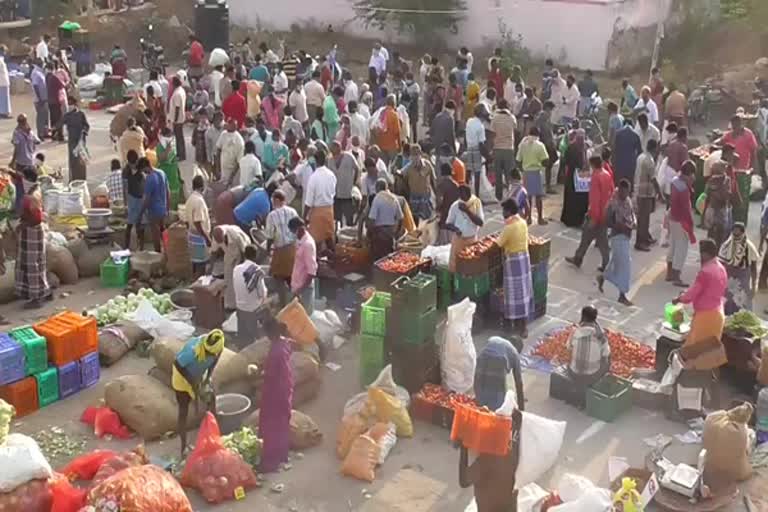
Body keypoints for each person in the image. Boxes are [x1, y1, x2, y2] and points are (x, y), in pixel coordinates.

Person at [671, 239, 728, 371]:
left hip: (706, 316)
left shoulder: (706, 271)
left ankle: (689, 383)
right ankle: (708, 382)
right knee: (711, 352)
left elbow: (692, 294)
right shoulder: (721, 268)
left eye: (701, 253)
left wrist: (679, 298)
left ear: (705, 254)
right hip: (719, 314)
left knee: (692, 353)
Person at [458, 407, 522, 512]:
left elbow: (464, 481)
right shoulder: (513, 448)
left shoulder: (486, 460)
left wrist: (463, 447)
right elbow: (517, 427)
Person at [172, 329, 225, 456]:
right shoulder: (192, 351)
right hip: (182, 380)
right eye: (207, 353)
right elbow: (178, 365)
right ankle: (183, 446)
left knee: (211, 399)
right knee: (183, 411)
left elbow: (215, 360)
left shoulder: (218, 346)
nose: (210, 355)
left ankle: (213, 434)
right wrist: (192, 382)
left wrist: (207, 378)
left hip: (198, 376)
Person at [258, 316, 294, 473]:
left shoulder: (276, 352)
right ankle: (282, 455)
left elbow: (271, 374)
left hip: (275, 392)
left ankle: (270, 462)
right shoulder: (284, 344)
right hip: (284, 389)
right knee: (282, 424)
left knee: (271, 426)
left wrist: (259, 373)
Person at [566, 156, 612, 271]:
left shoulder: (596, 177)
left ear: (592, 165)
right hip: (604, 213)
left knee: (599, 241)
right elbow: (611, 192)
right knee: (589, 238)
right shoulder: (606, 174)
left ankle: (606, 263)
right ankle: (578, 258)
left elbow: (595, 199)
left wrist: (593, 217)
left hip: (596, 215)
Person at [497, 197, 532, 338]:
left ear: (509, 211)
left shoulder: (509, 227)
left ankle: (510, 325)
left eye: (504, 210)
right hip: (524, 259)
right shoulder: (522, 222)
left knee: (512, 294)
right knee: (523, 292)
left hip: (513, 262)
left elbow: (498, 244)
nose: (502, 213)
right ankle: (523, 326)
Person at [598, 179, 636, 306]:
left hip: (627, 236)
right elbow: (607, 221)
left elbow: (632, 214)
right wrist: (618, 226)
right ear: (619, 190)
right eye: (623, 192)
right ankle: (622, 294)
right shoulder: (612, 204)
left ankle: (603, 277)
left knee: (615, 262)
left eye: (627, 192)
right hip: (617, 237)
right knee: (625, 266)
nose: (625, 194)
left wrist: (633, 223)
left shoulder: (628, 200)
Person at [15, 184, 50, 308]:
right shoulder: (35, 189)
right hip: (33, 231)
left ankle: (36, 297)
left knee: (32, 265)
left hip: (32, 231)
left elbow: (37, 219)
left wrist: (23, 225)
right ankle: (44, 291)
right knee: (39, 263)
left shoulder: (32, 196)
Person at [265, 190, 299, 305]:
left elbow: (269, 236)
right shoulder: (293, 211)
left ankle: (283, 304)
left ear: (277, 200)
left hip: (280, 251)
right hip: (293, 249)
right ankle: (296, 302)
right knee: (291, 278)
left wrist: (267, 250)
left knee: (279, 278)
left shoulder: (272, 215)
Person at [474, 336, 525, 412]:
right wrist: (521, 409)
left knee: (480, 389)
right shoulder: (515, 352)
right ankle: (492, 417)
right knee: (498, 398)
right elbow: (519, 383)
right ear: (518, 348)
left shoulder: (494, 338)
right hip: (498, 363)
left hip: (481, 359)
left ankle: (479, 412)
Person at [667, 161, 697, 286]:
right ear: (689, 174)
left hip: (672, 218)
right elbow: (686, 209)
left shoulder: (675, 181)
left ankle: (669, 272)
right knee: (681, 248)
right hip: (681, 220)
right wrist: (690, 224)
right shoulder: (684, 189)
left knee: (673, 245)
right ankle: (676, 275)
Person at [719, 222, 759, 314]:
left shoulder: (749, 247)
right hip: (729, 275)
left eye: (738, 231)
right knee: (727, 298)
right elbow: (721, 263)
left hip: (743, 275)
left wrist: (754, 285)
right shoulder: (726, 245)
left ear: (743, 232)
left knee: (743, 299)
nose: (736, 233)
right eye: (734, 231)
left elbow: (753, 266)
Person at [566, 305, 610, 387]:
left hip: (574, 374)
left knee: (571, 348)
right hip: (592, 376)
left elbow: (568, 347)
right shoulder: (600, 336)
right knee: (607, 354)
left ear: (582, 317)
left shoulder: (575, 332)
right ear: (595, 319)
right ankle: (597, 383)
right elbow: (605, 356)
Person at [232, 244, 268, 341]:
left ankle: (243, 342)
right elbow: (262, 293)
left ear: (245, 255)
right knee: (268, 303)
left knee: (243, 337)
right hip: (252, 309)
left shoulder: (236, 269)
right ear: (255, 256)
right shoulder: (257, 270)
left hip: (239, 307)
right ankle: (261, 336)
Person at [303, 150, 336, 253]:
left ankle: (315, 264)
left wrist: (304, 216)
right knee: (329, 237)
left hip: (317, 212)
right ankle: (334, 258)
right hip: (329, 210)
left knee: (315, 242)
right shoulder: (331, 175)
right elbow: (333, 192)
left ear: (315, 161)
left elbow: (309, 202)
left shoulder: (313, 177)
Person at [446, 185, 485, 272]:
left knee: (471, 266)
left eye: (462, 194)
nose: (460, 197)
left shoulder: (476, 203)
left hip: (472, 240)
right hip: (458, 240)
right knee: (455, 265)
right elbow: (448, 224)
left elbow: (480, 223)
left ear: (468, 194)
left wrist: (467, 211)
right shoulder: (455, 206)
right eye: (459, 194)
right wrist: (456, 229)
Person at [516, 126, 550, 225]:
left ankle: (529, 218)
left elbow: (518, 160)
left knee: (528, 197)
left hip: (526, 172)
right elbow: (546, 161)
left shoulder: (522, 145)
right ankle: (540, 218)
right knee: (538, 197)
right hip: (536, 172)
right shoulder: (540, 145)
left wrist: (523, 169)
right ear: (538, 135)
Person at [635, 139, 661, 251]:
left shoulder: (641, 156)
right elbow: (654, 179)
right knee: (643, 218)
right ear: (654, 148)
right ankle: (640, 242)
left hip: (639, 189)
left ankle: (645, 237)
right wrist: (660, 193)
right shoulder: (649, 160)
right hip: (645, 192)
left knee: (644, 217)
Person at [560, 127, 589, 228]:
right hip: (574, 175)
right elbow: (566, 162)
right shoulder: (573, 147)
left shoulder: (582, 147)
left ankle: (578, 220)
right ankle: (572, 220)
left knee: (579, 197)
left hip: (580, 176)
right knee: (573, 197)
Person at [367, 179, 404, 260]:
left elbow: (372, 219)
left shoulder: (377, 198)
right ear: (386, 187)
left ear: (377, 188)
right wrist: (396, 233)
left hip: (379, 234)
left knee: (378, 259)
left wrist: (370, 233)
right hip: (390, 233)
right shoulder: (394, 198)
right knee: (389, 259)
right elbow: (401, 218)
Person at [138, 158, 169, 253]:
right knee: (163, 231)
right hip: (163, 208)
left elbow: (146, 199)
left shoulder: (150, 179)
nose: (144, 173)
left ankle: (158, 254)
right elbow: (168, 191)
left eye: (143, 170)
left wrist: (141, 213)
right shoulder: (162, 173)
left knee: (155, 235)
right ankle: (168, 251)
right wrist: (167, 207)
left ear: (146, 167)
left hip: (154, 211)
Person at [288, 217, 318, 314]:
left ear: (300, 229)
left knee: (305, 317)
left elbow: (312, 272)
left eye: (293, 231)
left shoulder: (308, 244)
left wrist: (300, 291)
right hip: (297, 285)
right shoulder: (300, 240)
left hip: (304, 289)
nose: (293, 234)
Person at [329, 141, 361, 228]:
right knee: (337, 220)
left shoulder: (349, 157)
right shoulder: (330, 161)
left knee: (349, 219)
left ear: (340, 148)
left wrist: (354, 182)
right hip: (336, 195)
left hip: (347, 194)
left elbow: (357, 169)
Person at [702, 158, 733, 248]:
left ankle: (709, 250)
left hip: (711, 208)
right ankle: (718, 251)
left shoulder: (710, 180)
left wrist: (703, 214)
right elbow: (727, 195)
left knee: (711, 232)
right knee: (721, 233)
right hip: (721, 209)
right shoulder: (726, 180)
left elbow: (705, 196)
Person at [490, 98, 517, 200]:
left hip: (497, 148)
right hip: (509, 148)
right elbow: (515, 128)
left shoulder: (495, 118)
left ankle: (499, 195)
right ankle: (510, 195)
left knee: (498, 175)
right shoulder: (511, 117)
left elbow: (492, 133)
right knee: (509, 175)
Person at [402, 144, 436, 222]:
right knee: (415, 220)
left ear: (420, 154)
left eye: (417, 154)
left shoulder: (427, 165)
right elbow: (401, 177)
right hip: (414, 197)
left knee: (427, 221)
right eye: (413, 154)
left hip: (426, 197)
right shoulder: (408, 168)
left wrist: (436, 196)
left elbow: (433, 180)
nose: (415, 157)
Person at [185, 175, 211, 274]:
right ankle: (199, 284)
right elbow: (197, 222)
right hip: (199, 237)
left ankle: (194, 282)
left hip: (192, 235)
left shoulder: (190, 198)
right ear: (202, 186)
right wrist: (207, 238)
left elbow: (188, 220)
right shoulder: (199, 201)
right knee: (201, 264)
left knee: (195, 263)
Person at [59, 98, 89, 182]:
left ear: (75, 104)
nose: (69, 106)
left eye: (71, 104)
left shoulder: (81, 114)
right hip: (72, 141)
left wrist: (84, 131)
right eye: (68, 104)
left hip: (81, 141)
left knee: (81, 160)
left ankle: (82, 179)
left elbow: (86, 125)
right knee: (72, 161)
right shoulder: (67, 116)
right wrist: (52, 129)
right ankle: (73, 179)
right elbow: (60, 123)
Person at [533, 100, 556, 194]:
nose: (551, 112)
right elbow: (539, 131)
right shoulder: (541, 118)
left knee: (548, 165)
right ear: (547, 109)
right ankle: (543, 187)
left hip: (548, 144)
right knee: (545, 165)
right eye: (550, 110)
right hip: (544, 145)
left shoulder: (546, 119)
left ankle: (546, 186)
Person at [435, 162, 461, 245]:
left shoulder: (441, 186)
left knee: (444, 246)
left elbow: (439, 202)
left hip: (444, 220)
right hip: (455, 221)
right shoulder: (456, 185)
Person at [156, 127, 181, 210]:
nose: (170, 138)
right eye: (168, 136)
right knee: (165, 194)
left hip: (174, 173)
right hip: (165, 173)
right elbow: (161, 159)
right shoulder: (160, 146)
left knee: (175, 194)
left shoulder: (172, 144)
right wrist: (167, 150)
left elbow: (175, 157)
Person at [464, 104, 487, 196]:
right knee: (477, 173)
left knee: (468, 171)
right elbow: (481, 143)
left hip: (469, 148)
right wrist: (487, 155)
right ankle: (477, 195)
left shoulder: (469, 121)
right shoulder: (480, 126)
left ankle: (465, 192)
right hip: (477, 149)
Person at [613, 119, 642, 185]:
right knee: (630, 185)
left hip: (619, 164)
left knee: (619, 184)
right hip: (631, 165)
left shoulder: (618, 134)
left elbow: (614, 149)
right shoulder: (636, 135)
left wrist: (614, 164)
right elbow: (639, 152)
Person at [217, 118, 245, 185]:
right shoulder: (223, 134)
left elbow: (239, 161)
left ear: (236, 126)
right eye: (228, 124)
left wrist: (232, 176)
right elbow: (218, 150)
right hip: (222, 169)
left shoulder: (239, 140)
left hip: (232, 171)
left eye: (232, 125)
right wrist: (217, 169)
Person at [45, 63, 65, 141]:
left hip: (49, 101)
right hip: (56, 100)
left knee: (52, 118)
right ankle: (60, 135)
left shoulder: (46, 77)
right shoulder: (54, 77)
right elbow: (61, 85)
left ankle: (53, 135)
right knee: (59, 118)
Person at [31, 61, 48, 138]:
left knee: (45, 116)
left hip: (44, 98)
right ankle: (40, 134)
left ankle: (45, 132)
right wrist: (40, 98)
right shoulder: (35, 73)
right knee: (41, 117)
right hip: (40, 100)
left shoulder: (40, 72)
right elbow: (35, 86)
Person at [0, 46, 10, 119]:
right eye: (4, 51)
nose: (5, 53)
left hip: (4, 81)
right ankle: (3, 113)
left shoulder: (2, 59)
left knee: (5, 98)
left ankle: (5, 112)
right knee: (3, 98)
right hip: (2, 81)